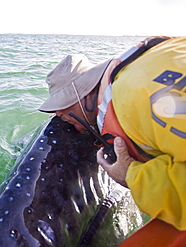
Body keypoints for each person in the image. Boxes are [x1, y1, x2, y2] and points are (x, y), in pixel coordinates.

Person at [38, 36, 186, 243]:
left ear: (85, 93)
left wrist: (131, 175)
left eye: (64, 105)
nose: (59, 113)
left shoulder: (134, 101)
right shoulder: (143, 66)